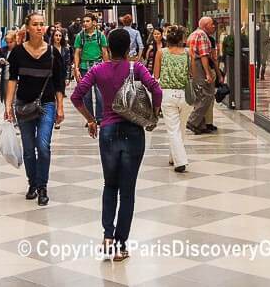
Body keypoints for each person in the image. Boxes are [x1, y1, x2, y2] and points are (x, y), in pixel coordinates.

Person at [71, 28, 162, 261]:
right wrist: (154, 112)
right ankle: (121, 245)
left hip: (108, 131)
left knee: (110, 185)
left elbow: (76, 96)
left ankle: (107, 235)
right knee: (128, 190)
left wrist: (91, 119)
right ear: (128, 48)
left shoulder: (97, 70)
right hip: (133, 132)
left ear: (108, 48)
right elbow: (156, 89)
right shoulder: (136, 68)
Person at [4, 12, 65, 206]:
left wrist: (60, 107)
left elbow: (59, 83)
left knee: (43, 146)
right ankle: (32, 183)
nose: (39, 27)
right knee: (29, 149)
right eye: (35, 24)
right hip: (23, 105)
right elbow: (12, 79)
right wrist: (8, 104)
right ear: (28, 27)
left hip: (46, 104)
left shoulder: (54, 53)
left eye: (42, 24)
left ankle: (43, 186)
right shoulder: (18, 53)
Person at [153, 24, 190, 172]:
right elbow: (192, 73)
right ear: (181, 38)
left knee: (173, 129)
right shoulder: (188, 53)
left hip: (167, 94)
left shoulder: (161, 53)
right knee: (181, 127)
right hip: (186, 94)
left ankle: (180, 161)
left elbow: (156, 75)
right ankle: (173, 156)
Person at [73, 13, 109, 124]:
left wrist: (107, 67)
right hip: (84, 67)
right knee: (86, 95)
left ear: (94, 22)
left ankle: (99, 117)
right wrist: (76, 68)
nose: (85, 23)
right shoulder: (80, 36)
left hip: (98, 67)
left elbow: (104, 51)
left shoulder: (100, 36)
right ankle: (90, 118)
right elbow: (77, 53)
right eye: (84, 21)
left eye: (87, 21)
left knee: (100, 94)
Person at [186, 16, 217, 135]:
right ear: (205, 26)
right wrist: (208, 73)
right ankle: (193, 121)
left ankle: (200, 125)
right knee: (207, 94)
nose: (214, 26)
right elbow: (204, 55)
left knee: (199, 95)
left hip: (193, 65)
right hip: (199, 66)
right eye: (211, 24)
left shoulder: (193, 34)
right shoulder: (202, 35)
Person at [0, 30, 17, 103]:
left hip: (16, 78)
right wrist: (0, 61)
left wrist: (8, 62)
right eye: (7, 42)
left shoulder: (19, 50)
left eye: (11, 42)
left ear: (15, 41)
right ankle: (8, 113)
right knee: (7, 99)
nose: (9, 44)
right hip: (6, 77)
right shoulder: (3, 50)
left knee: (15, 100)